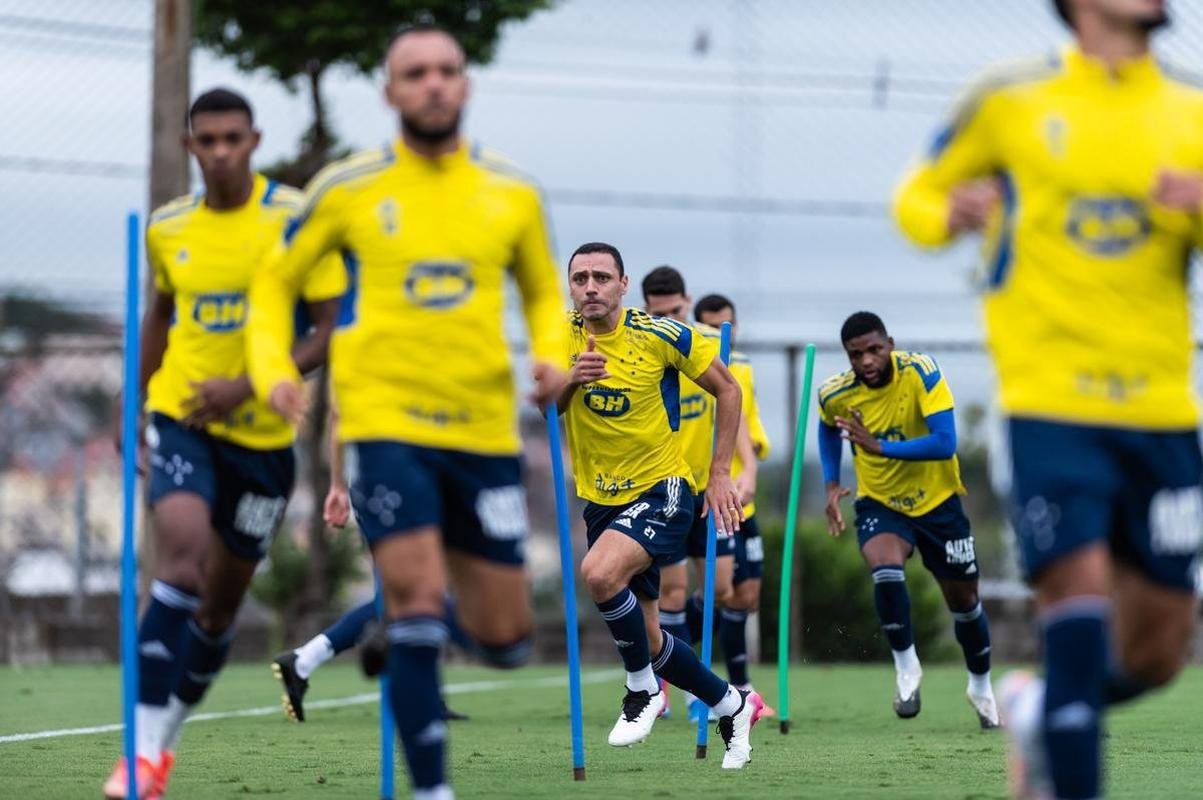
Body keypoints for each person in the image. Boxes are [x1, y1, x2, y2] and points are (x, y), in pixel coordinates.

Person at [246, 24, 567, 800]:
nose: (432, 83)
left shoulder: (512, 192)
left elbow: (542, 293)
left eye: (446, 70)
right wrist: (272, 369)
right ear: (390, 91)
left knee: (505, 640)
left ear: (466, 85)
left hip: (483, 432)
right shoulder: (346, 189)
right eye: (415, 72)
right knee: (418, 599)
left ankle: (406, 636)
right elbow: (272, 282)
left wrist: (551, 356)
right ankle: (432, 789)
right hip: (385, 426)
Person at [893, 1, 1203, 794]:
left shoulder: (1189, 109)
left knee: (1157, 652)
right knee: (1075, 602)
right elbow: (915, 195)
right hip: (1048, 403)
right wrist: (946, 213)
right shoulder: (1010, 98)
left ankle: (1036, 710)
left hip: (1162, 415)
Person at [104, 88, 344, 799]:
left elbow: (329, 328)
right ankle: (138, 756)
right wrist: (131, 395)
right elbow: (160, 314)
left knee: (217, 609)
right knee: (178, 559)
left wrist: (248, 385)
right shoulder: (168, 226)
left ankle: (162, 745)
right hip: (181, 417)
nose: (219, 152)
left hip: (263, 440)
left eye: (232, 139)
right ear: (190, 146)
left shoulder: (296, 218)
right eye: (205, 140)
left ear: (254, 141)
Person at [559, 241, 764, 769]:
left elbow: (729, 391)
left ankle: (642, 690)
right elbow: (542, 404)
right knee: (650, 640)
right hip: (600, 498)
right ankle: (731, 704)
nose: (590, 288)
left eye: (602, 277)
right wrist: (569, 381)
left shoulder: (660, 334)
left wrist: (720, 473)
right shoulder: (559, 335)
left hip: (663, 488)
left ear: (623, 285)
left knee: (599, 573)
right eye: (580, 278)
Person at [818, 312, 999, 728]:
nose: (866, 360)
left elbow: (945, 442)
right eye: (856, 354)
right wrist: (831, 482)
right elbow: (827, 428)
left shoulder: (921, 372)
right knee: (884, 568)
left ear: (891, 344)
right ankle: (906, 668)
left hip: (938, 502)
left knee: (965, 603)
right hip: (880, 502)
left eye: (874, 350)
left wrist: (879, 447)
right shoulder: (834, 392)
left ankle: (981, 687)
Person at [272, 408, 468, 723]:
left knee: (410, 592)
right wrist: (337, 485)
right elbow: (337, 414)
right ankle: (305, 660)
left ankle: (304, 661)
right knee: (410, 591)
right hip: (381, 481)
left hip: (411, 476)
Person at [639, 266, 738, 722]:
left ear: (688, 302)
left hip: (710, 488)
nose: (669, 320)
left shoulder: (707, 347)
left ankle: (673, 657)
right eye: (658, 314)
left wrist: (734, 469)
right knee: (673, 592)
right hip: (668, 487)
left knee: (721, 588)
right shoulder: (642, 347)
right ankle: (686, 687)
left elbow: (735, 401)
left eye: (675, 311)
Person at [694, 293, 774, 715]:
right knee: (721, 591)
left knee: (747, 595)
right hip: (713, 497)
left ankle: (740, 685)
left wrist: (753, 461)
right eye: (709, 325)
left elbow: (745, 418)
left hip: (745, 499)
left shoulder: (741, 365)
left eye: (725, 324)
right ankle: (667, 651)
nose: (719, 332)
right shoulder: (692, 362)